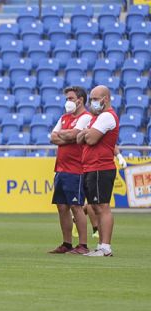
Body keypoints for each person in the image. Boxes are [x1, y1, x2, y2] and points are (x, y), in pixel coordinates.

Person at [77, 85, 127, 257]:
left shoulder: (106, 116)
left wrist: (86, 133)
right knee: (96, 207)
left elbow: (89, 139)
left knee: (102, 207)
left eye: (95, 98)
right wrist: (85, 133)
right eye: (91, 98)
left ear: (105, 99)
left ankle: (105, 247)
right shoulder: (96, 117)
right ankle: (101, 246)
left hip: (101, 166)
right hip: (92, 166)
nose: (92, 102)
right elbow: (78, 138)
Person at [48, 86, 92, 254]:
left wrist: (66, 136)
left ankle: (83, 245)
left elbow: (75, 134)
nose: (67, 102)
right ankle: (67, 243)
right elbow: (53, 136)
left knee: (76, 206)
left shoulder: (86, 117)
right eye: (67, 99)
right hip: (61, 167)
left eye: (70, 98)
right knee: (61, 206)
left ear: (80, 100)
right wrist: (69, 137)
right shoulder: (64, 117)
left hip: (76, 168)